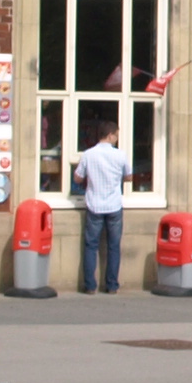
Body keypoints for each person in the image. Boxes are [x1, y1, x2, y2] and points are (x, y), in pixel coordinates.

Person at [69, 125, 131, 293]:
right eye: (116, 136)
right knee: (114, 246)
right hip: (114, 205)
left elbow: (78, 178)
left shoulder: (88, 155)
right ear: (110, 135)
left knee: (91, 246)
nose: (117, 139)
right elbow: (129, 177)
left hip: (94, 205)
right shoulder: (120, 155)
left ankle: (90, 286)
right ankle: (111, 286)